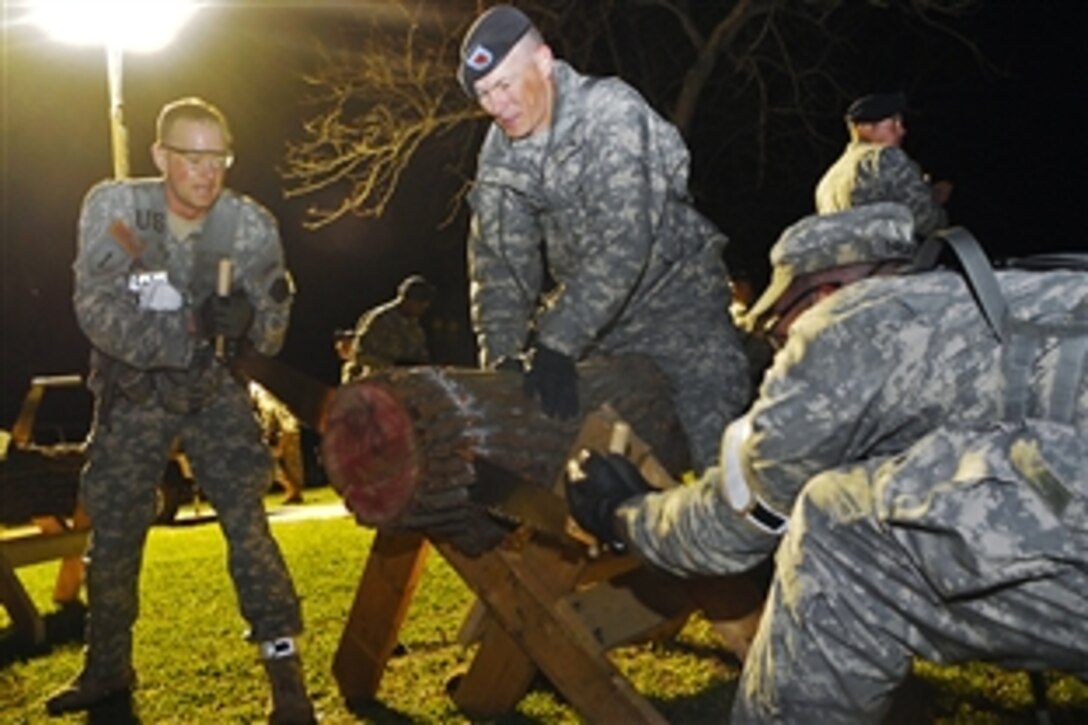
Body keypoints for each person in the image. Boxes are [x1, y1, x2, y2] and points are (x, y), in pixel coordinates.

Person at [49, 97, 315, 723]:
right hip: (135, 393)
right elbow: (97, 309)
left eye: (217, 156)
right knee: (113, 537)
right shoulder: (116, 212)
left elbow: (273, 325)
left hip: (214, 393)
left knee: (248, 527)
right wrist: (192, 329)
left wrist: (252, 320)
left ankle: (287, 678)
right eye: (191, 157)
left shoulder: (247, 227)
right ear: (161, 156)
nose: (206, 172)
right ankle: (106, 670)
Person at [457, 5, 751, 471]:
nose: (497, 106)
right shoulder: (500, 152)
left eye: (505, 85)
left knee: (723, 460)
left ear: (543, 62)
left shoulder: (611, 111)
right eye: (484, 94)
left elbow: (624, 243)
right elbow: (500, 260)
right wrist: (504, 356)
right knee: (577, 472)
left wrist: (557, 340)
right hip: (596, 331)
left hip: (677, 308)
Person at [815, 91, 952, 237]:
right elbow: (929, 222)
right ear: (865, 128)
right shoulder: (885, 157)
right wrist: (934, 198)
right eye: (894, 123)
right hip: (884, 258)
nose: (902, 131)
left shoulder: (828, 179)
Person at [347, 274, 435, 379]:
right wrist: (393, 365)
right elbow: (361, 355)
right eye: (421, 305)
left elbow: (421, 356)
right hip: (377, 384)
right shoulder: (380, 320)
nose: (423, 309)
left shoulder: (414, 326)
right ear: (409, 300)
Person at [250, 382, 306, 505]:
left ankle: (293, 490)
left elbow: (270, 415)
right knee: (291, 462)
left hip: (283, 430)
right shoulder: (273, 392)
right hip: (290, 427)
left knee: (273, 462)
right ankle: (294, 491)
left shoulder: (262, 396)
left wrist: (269, 433)